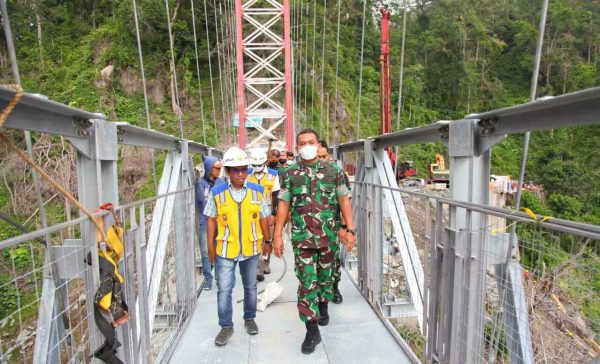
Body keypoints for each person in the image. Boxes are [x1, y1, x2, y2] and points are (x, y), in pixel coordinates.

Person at [273, 129, 355, 354]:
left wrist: (349, 229)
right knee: (307, 283)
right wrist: (277, 234)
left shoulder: (334, 172)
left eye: (311, 142)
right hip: (302, 240)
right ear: (297, 147)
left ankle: (323, 305)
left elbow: (344, 201)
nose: (306, 146)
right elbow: (283, 205)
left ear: (318, 145)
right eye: (302, 143)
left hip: (328, 238)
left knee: (325, 279)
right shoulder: (289, 174)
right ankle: (311, 330)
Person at [204, 146, 272, 346]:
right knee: (224, 289)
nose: (241, 173)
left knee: (250, 287)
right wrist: (210, 250)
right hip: (225, 249)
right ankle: (226, 326)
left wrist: (267, 242)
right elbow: (210, 220)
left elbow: (264, 217)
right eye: (236, 170)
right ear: (227, 172)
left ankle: (249, 318)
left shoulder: (257, 192)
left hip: (251, 248)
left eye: (244, 169)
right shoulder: (217, 193)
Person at [317, 140, 349, 304]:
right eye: (318, 156)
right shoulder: (305, 174)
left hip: (333, 227)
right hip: (311, 228)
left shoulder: (338, 173)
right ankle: (317, 294)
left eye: (324, 156)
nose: (322, 160)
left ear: (329, 155)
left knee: (334, 261)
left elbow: (345, 202)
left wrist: (345, 227)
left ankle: (334, 289)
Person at [248, 149, 280, 281]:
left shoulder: (273, 174)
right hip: (252, 211)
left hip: (267, 210)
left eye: (258, 165)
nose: (256, 168)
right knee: (255, 239)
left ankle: (266, 262)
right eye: (254, 166)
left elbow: (276, 194)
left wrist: (274, 213)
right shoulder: (247, 174)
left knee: (268, 239)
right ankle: (258, 267)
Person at [195, 156, 224, 290]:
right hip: (205, 221)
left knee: (219, 251)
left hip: (219, 221)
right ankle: (208, 278)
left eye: (220, 168)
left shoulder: (221, 182)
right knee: (206, 252)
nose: (219, 170)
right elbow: (201, 201)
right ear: (209, 168)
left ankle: (219, 277)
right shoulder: (200, 183)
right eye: (216, 168)